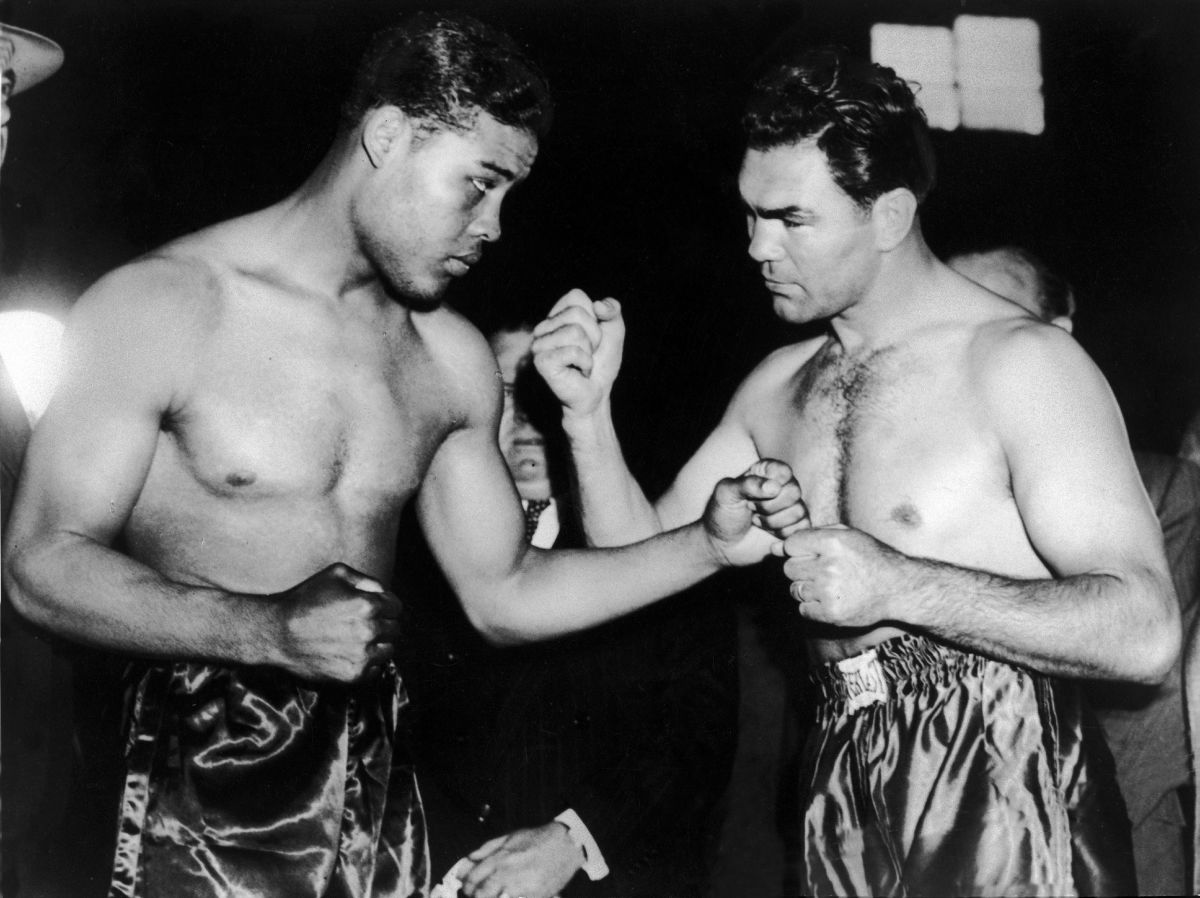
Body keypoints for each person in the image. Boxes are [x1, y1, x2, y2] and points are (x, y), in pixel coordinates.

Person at [1, 14, 803, 898]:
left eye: (508, 196)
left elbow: (505, 592)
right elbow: (39, 565)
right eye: (478, 185)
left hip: (377, 798)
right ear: (386, 137)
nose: (493, 226)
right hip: (188, 791)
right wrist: (263, 628)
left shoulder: (448, 358)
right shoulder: (161, 307)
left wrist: (706, 547)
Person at [533, 45, 1179, 896]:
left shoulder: (1019, 365)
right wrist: (586, 416)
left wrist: (901, 586)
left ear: (889, 215)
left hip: (1001, 759)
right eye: (751, 215)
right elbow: (637, 552)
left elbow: (1146, 633)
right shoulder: (779, 384)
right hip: (839, 765)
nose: (757, 245)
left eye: (791, 219)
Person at [406, 319, 736, 897]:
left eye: (546, 392)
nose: (529, 419)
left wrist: (572, 840)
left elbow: (696, 732)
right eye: (508, 395)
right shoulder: (417, 549)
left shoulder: (652, 539)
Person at [948, 243, 1200, 896]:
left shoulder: (1159, 494)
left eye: (999, 321)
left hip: (1101, 837)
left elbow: (1145, 717)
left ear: (1057, 337)